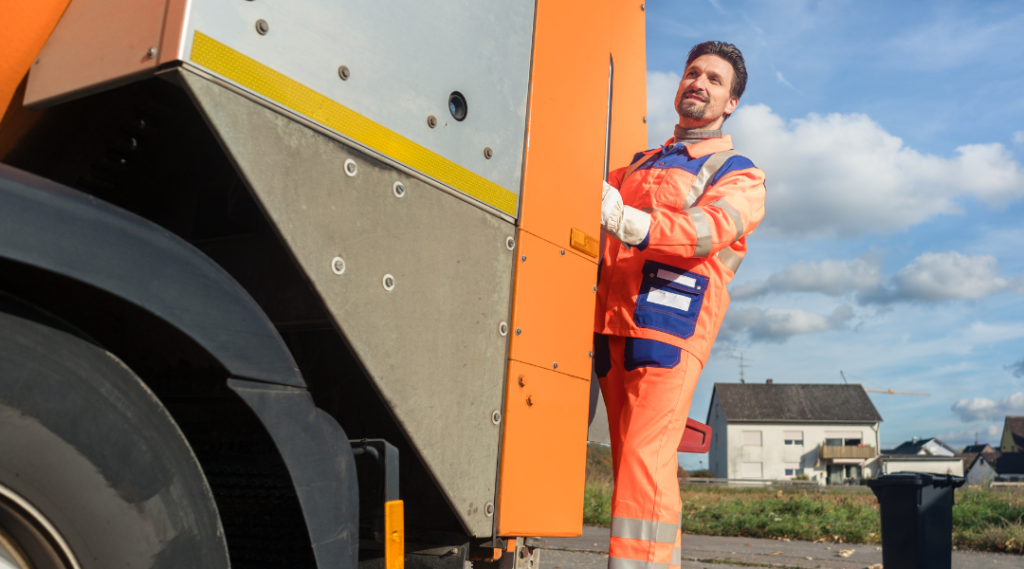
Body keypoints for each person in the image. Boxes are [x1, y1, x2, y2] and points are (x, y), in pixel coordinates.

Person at [594, 41, 766, 569]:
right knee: (632, 465)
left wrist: (631, 222)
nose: (700, 83)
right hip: (610, 328)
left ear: (730, 102)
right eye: (693, 73)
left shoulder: (738, 173)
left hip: (670, 331)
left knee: (646, 461)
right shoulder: (638, 165)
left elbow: (711, 228)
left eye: (715, 80)